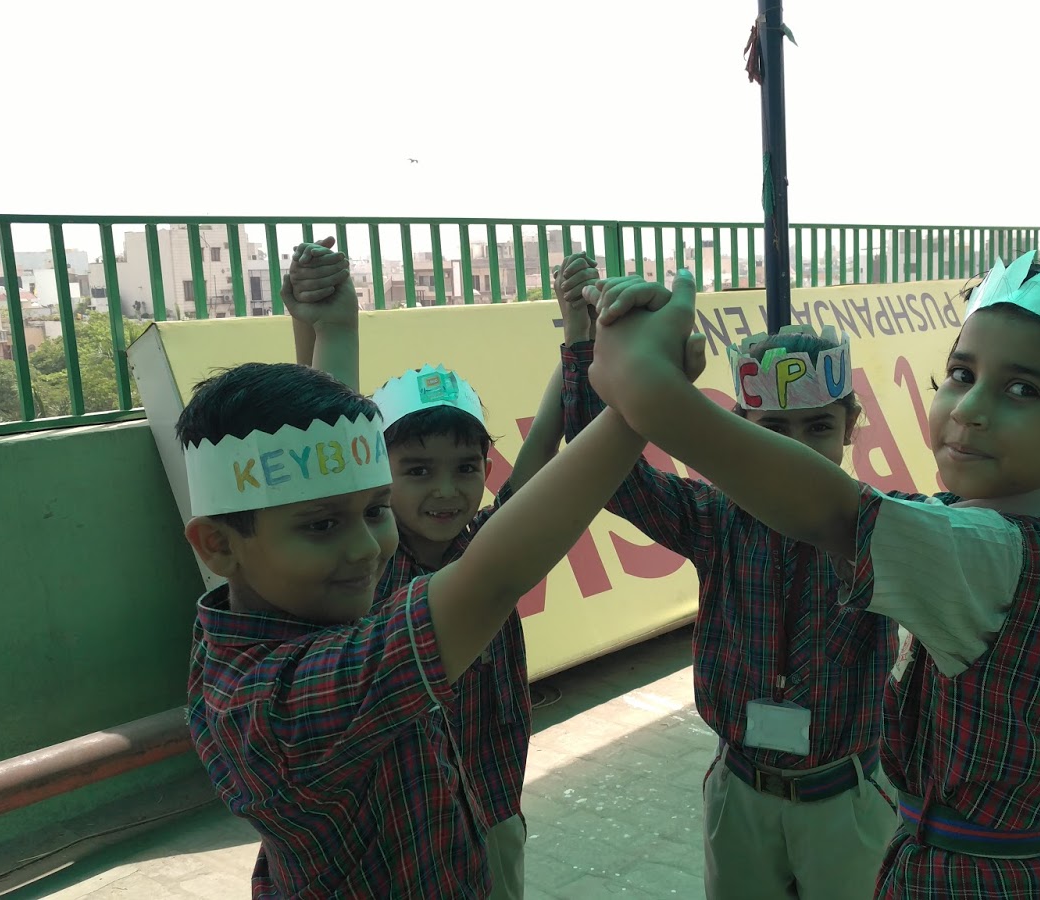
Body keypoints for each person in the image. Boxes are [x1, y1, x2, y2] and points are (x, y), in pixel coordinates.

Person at [582, 254, 1040, 898]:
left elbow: (830, 508)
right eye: (961, 375)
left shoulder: (955, 548)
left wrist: (640, 371)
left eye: (1022, 389)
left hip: (934, 856)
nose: (968, 409)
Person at [178, 273, 700, 897]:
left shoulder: (297, 602)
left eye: (375, 510)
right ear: (218, 545)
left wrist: (333, 328)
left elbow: (320, 472)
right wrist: (640, 401)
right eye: (322, 526)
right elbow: (493, 578)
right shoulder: (276, 703)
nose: (365, 548)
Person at [281, 240, 602, 899]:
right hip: (396, 835)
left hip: (490, 812)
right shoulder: (363, 573)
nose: (447, 491)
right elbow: (323, 456)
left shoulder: (491, 546)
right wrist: (317, 326)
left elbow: (547, 437)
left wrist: (578, 330)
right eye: (418, 470)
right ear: (377, 474)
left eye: (465, 468)